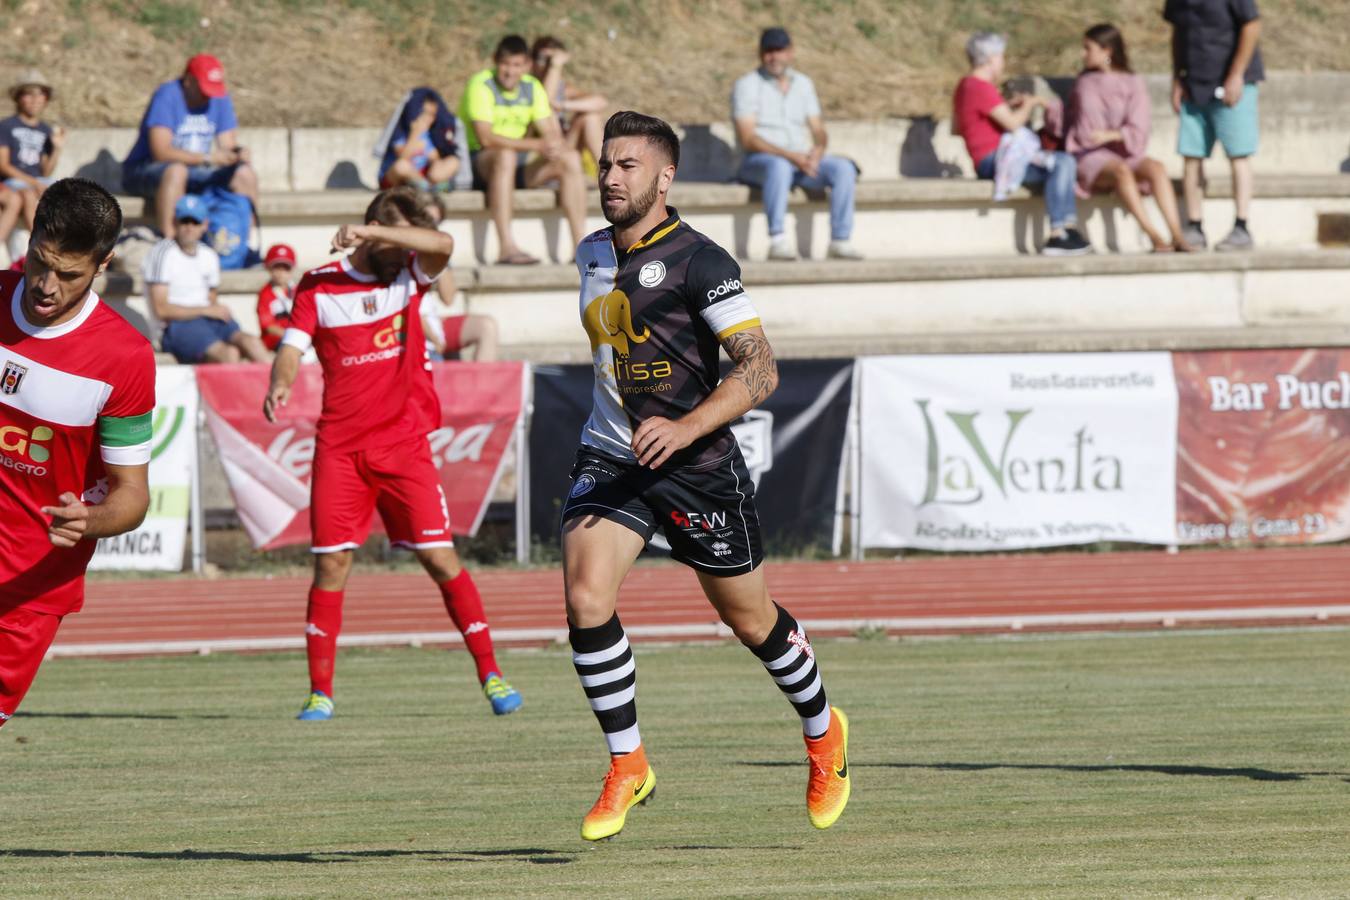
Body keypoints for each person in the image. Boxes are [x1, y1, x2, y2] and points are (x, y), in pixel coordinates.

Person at [561, 111, 850, 842]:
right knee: (586, 592)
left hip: (695, 464)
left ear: (665, 178)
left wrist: (687, 426)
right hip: (613, 453)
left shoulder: (702, 261)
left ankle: (823, 735)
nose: (612, 177)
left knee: (749, 621)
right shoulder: (592, 249)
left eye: (629, 166)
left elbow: (761, 368)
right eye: (605, 164)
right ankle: (628, 763)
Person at [262, 186, 521, 721]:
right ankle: (320, 691)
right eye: (387, 239)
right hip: (341, 450)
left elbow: (443, 243)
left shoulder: (407, 271)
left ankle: (492, 675)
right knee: (332, 566)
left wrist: (376, 233)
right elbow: (290, 349)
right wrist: (280, 384)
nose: (402, 252)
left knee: (439, 557)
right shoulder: (319, 286)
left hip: (404, 446)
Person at [0, 178, 155, 726]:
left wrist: (90, 520)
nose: (46, 285)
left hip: (28, 587)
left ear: (103, 264)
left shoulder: (124, 357)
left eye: (68, 274)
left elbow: (132, 495)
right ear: (30, 235)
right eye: (40, 262)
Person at [954, 32, 1092, 256]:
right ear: (990, 58)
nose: (1003, 62)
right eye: (1001, 57)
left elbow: (957, 127)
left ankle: (1067, 228)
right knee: (1062, 162)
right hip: (994, 160)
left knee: (1060, 163)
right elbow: (1013, 124)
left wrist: (1003, 107)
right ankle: (1060, 231)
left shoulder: (964, 86)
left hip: (985, 159)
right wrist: (1030, 104)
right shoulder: (981, 87)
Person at [733, 27, 862, 261]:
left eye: (779, 50)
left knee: (843, 168)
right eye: (769, 51)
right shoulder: (747, 85)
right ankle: (777, 241)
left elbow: (818, 129)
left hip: (800, 161)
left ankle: (840, 241)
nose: (774, 57)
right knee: (778, 166)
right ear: (760, 54)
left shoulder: (804, 84)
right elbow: (748, 138)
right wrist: (792, 157)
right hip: (759, 162)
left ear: (790, 52)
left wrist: (818, 150)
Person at [1062, 24, 1194, 252]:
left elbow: (1139, 128)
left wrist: (1113, 135)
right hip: (1090, 156)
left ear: (1107, 51)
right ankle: (1154, 236)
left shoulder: (1133, 82)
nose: (1083, 54)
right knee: (1121, 170)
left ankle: (1177, 234)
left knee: (1156, 168)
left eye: (1088, 48)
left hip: (1123, 151)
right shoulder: (1084, 84)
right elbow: (1086, 135)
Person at [458, 34, 586, 265]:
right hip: (481, 163)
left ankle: (581, 248)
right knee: (504, 156)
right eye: (505, 64)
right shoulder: (481, 84)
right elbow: (485, 138)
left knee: (570, 158)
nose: (510, 71)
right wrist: (536, 144)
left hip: (516, 163)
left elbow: (548, 128)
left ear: (526, 65)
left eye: (517, 65)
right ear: (496, 61)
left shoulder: (532, 86)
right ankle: (506, 247)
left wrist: (553, 144)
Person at [121, 54, 258, 240]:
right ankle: (172, 243)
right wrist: (208, 158)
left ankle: (246, 243)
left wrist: (238, 154)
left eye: (212, 91)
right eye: (203, 90)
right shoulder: (167, 95)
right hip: (144, 170)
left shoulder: (219, 96)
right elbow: (160, 152)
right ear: (188, 81)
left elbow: (228, 144)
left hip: (196, 170)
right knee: (177, 171)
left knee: (244, 174)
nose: (207, 96)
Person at [1165, 0, 1264, 251]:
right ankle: (1194, 226)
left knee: (1239, 155)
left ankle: (1242, 226)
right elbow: (1178, 33)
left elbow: (1251, 25)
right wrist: (1177, 77)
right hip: (1194, 83)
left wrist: (1236, 74)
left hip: (1232, 84)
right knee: (1191, 155)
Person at [143, 194, 270, 364]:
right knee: (229, 354)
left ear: (205, 225)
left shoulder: (208, 255)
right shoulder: (162, 253)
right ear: (175, 222)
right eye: (184, 221)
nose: (189, 227)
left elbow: (211, 300)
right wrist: (205, 310)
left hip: (207, 320)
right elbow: (162, 310)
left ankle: (276, 390)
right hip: (175, 327)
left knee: (253, 344)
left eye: (195, 222)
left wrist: (214, 310)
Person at [0, 70, 63, 255]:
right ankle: (44, 245)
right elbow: (3, 165)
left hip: (37, 180)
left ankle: (65, 241)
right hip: (13, 181)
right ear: (18, 97)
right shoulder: (7, 126)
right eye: (29, 94)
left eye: (41, 94)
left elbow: (45, 171)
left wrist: (57, 148)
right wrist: (34, 182)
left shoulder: (45, 129)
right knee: (27, 195)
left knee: (63, 193)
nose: (36, 99)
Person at [530, 36, 608, 171]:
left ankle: (604, 172)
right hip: (539, 152)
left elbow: (600, 102)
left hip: (565, 145)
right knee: (551, 113)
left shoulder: (563, 88)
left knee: (589, 117)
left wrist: (564, 105)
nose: (548, 65)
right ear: (531, 61)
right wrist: (555, 67)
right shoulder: (526, 86)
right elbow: (545, 103)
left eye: (553, 60)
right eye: (544, 59)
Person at [376, 87, 460, 191]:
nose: (427, 118)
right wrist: (415, 134)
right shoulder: (401, 132)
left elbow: (434, 158)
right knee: (402, 166)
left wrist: (436, 164)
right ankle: (427, 186)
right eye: (424, 113)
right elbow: (402, 157)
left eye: (432, 115)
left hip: (421, 175)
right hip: (396, 178)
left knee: (453, 161)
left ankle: (432, 185)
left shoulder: (430, 135)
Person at [256, 243, 297, 352]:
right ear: (268, 268)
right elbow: (269, 327)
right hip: (276, 341)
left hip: (297, 336)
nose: (281, 273)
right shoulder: (265, 294)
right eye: (276, 268)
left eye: (286, 268)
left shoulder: (297, 290)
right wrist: (293, 336)